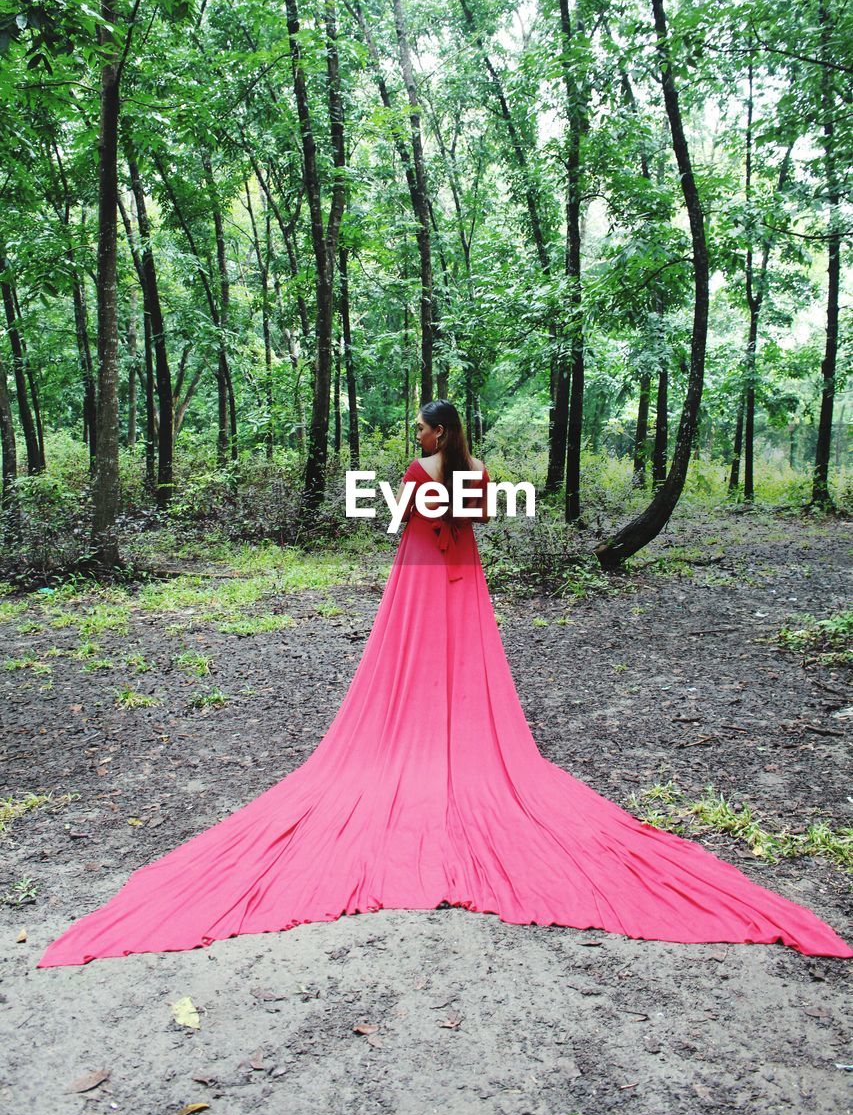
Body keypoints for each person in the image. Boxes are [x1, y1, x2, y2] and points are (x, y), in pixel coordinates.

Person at [36, 400, 852, 967]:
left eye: (424, 426)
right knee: (444, 668)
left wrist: (417, 493)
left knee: (431, 671)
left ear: (440, 430)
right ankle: (437, 732)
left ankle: (430, 737)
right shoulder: (473, 468)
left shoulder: (423, 470)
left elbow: (406, 521)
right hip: (453, 575)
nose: (417, 433)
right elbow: (479, 522)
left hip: (428, 573)